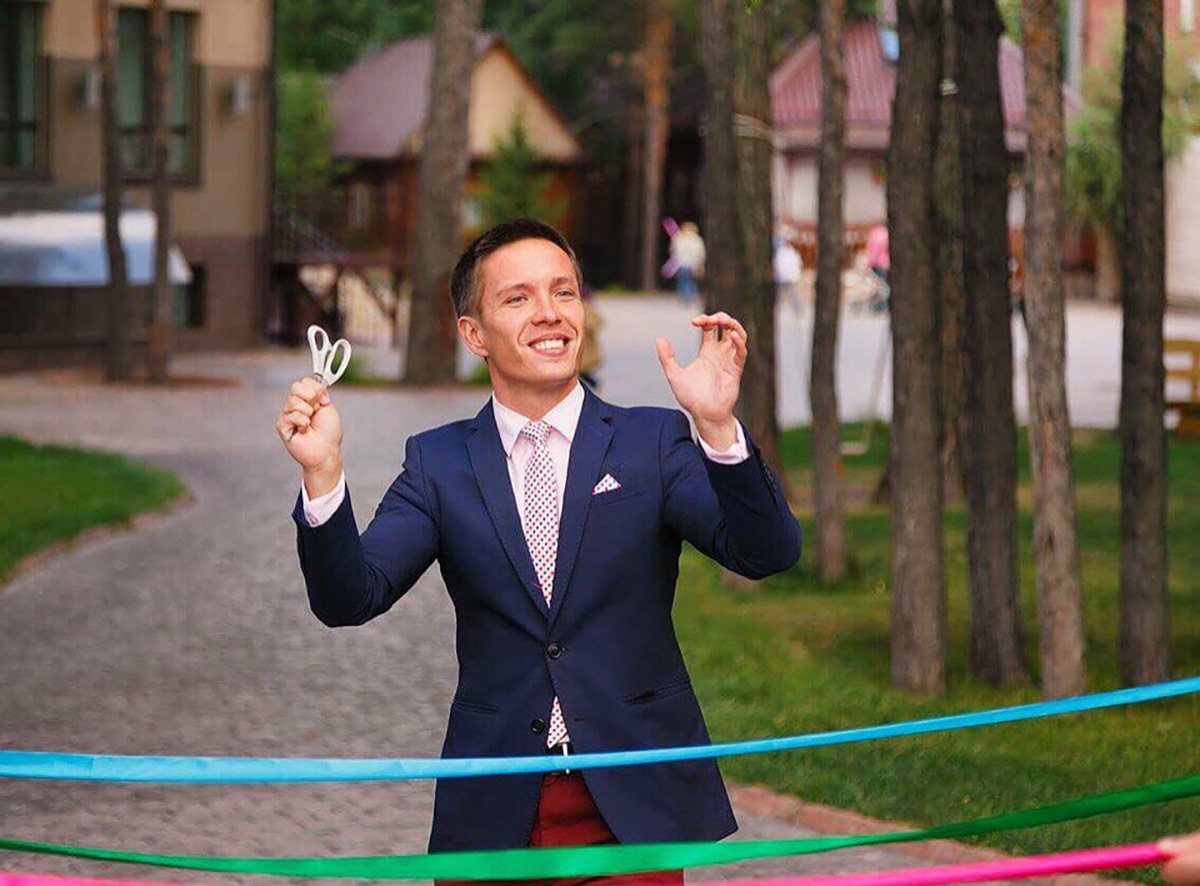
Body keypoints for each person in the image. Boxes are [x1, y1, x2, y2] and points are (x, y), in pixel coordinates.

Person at [275, 218, 801, 883]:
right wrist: (323, 474)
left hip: (633, 804)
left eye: (563, 291)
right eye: (517, 298)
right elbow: (349, 598)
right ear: (475, 334)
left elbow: (767, 552)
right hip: (496, 811)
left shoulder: (653, 442)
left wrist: (719, 428)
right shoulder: (439, 463)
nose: (549, 313)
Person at [667, 221, 706, 308]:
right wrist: (701, 264)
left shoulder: (679, 239)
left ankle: (685, 297)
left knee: (683, 281)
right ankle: (691, 296)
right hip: (693, 264)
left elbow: (673, 251)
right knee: (691, 281)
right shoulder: (697, 240)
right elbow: (701, 253)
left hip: (681, 263)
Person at [773, 235, 804, 315]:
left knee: (778, 296)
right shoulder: (792, 251)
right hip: (792, 277)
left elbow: (777, 266)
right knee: (792, 294)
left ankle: (775, 310)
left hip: (782, 278)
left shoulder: (779, 253)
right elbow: (799, 263)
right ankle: (798, 310)